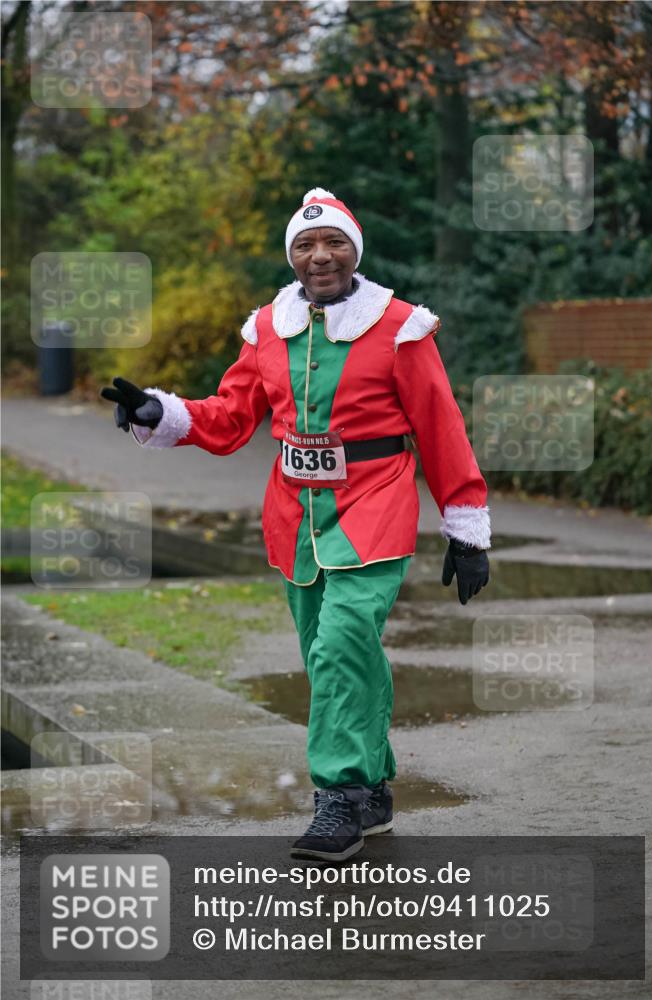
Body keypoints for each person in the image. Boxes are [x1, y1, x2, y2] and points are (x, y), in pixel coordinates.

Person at [101, 187, 490, 862]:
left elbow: (440, 427)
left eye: (334, 242)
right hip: (294, 515)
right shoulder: (267, 328)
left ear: (354, 251)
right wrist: (158, 413)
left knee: (341, 643)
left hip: (376, 505)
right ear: (291, 257)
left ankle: (338, 796)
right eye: (306, 245)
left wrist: (466, 526)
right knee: (330, 653)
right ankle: (372, 788)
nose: (320, 256)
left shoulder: (399, 327)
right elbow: (230, 418)